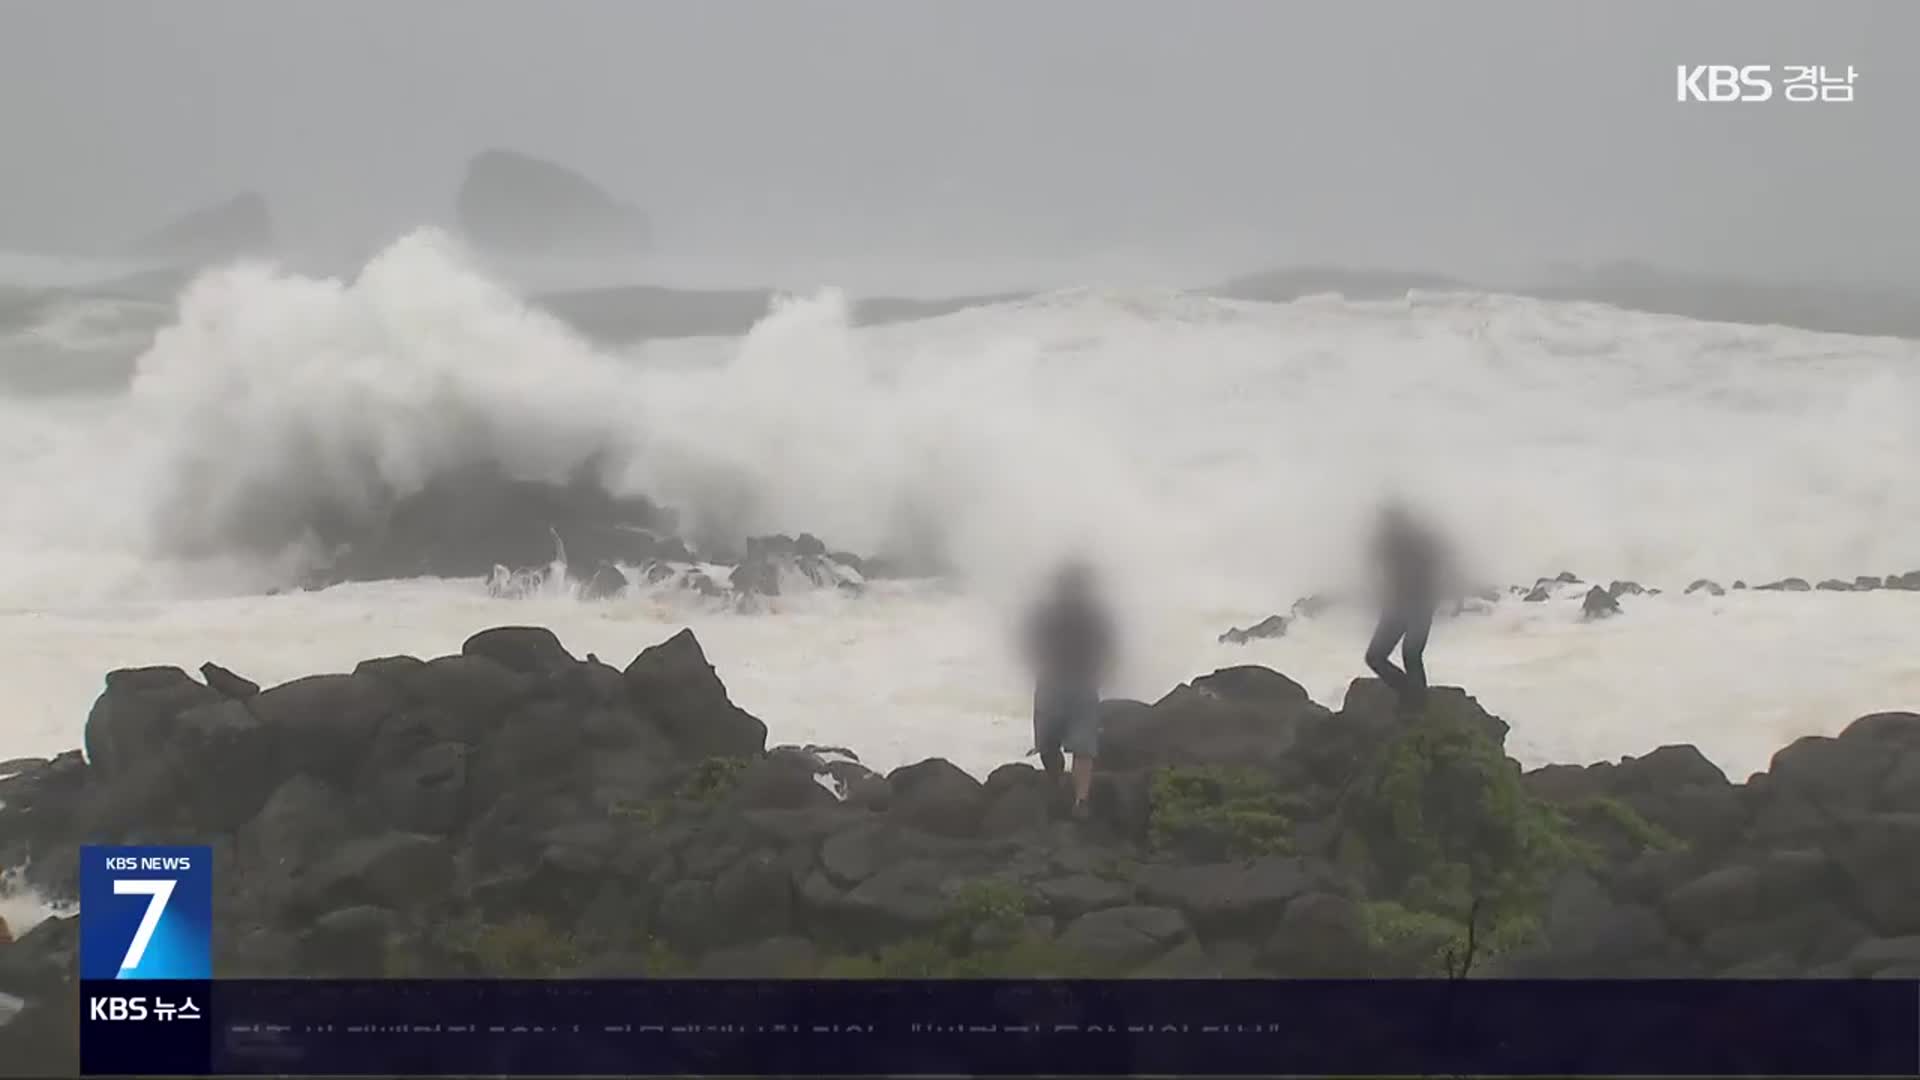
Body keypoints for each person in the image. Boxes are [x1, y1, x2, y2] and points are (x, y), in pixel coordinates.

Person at [1023, 560, 1114, 820]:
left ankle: (1080, 800)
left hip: (1079, 684)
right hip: (1053, 683)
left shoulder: (1092, 617)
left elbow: (1106, 648)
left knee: (1082, 745)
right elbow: (1031, 644)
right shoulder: (1047, 615)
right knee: (1047, 744)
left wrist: (1096, 673)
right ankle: (1059, 784)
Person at [1364, 501, 1445, 713]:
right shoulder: (1385, 544)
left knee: (1411, 653)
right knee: (1375, 657)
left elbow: (1437, 572)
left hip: (1420, 605)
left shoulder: (1420, 542)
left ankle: (1416, 706)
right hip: (1395, 606)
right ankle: (1411, 695)